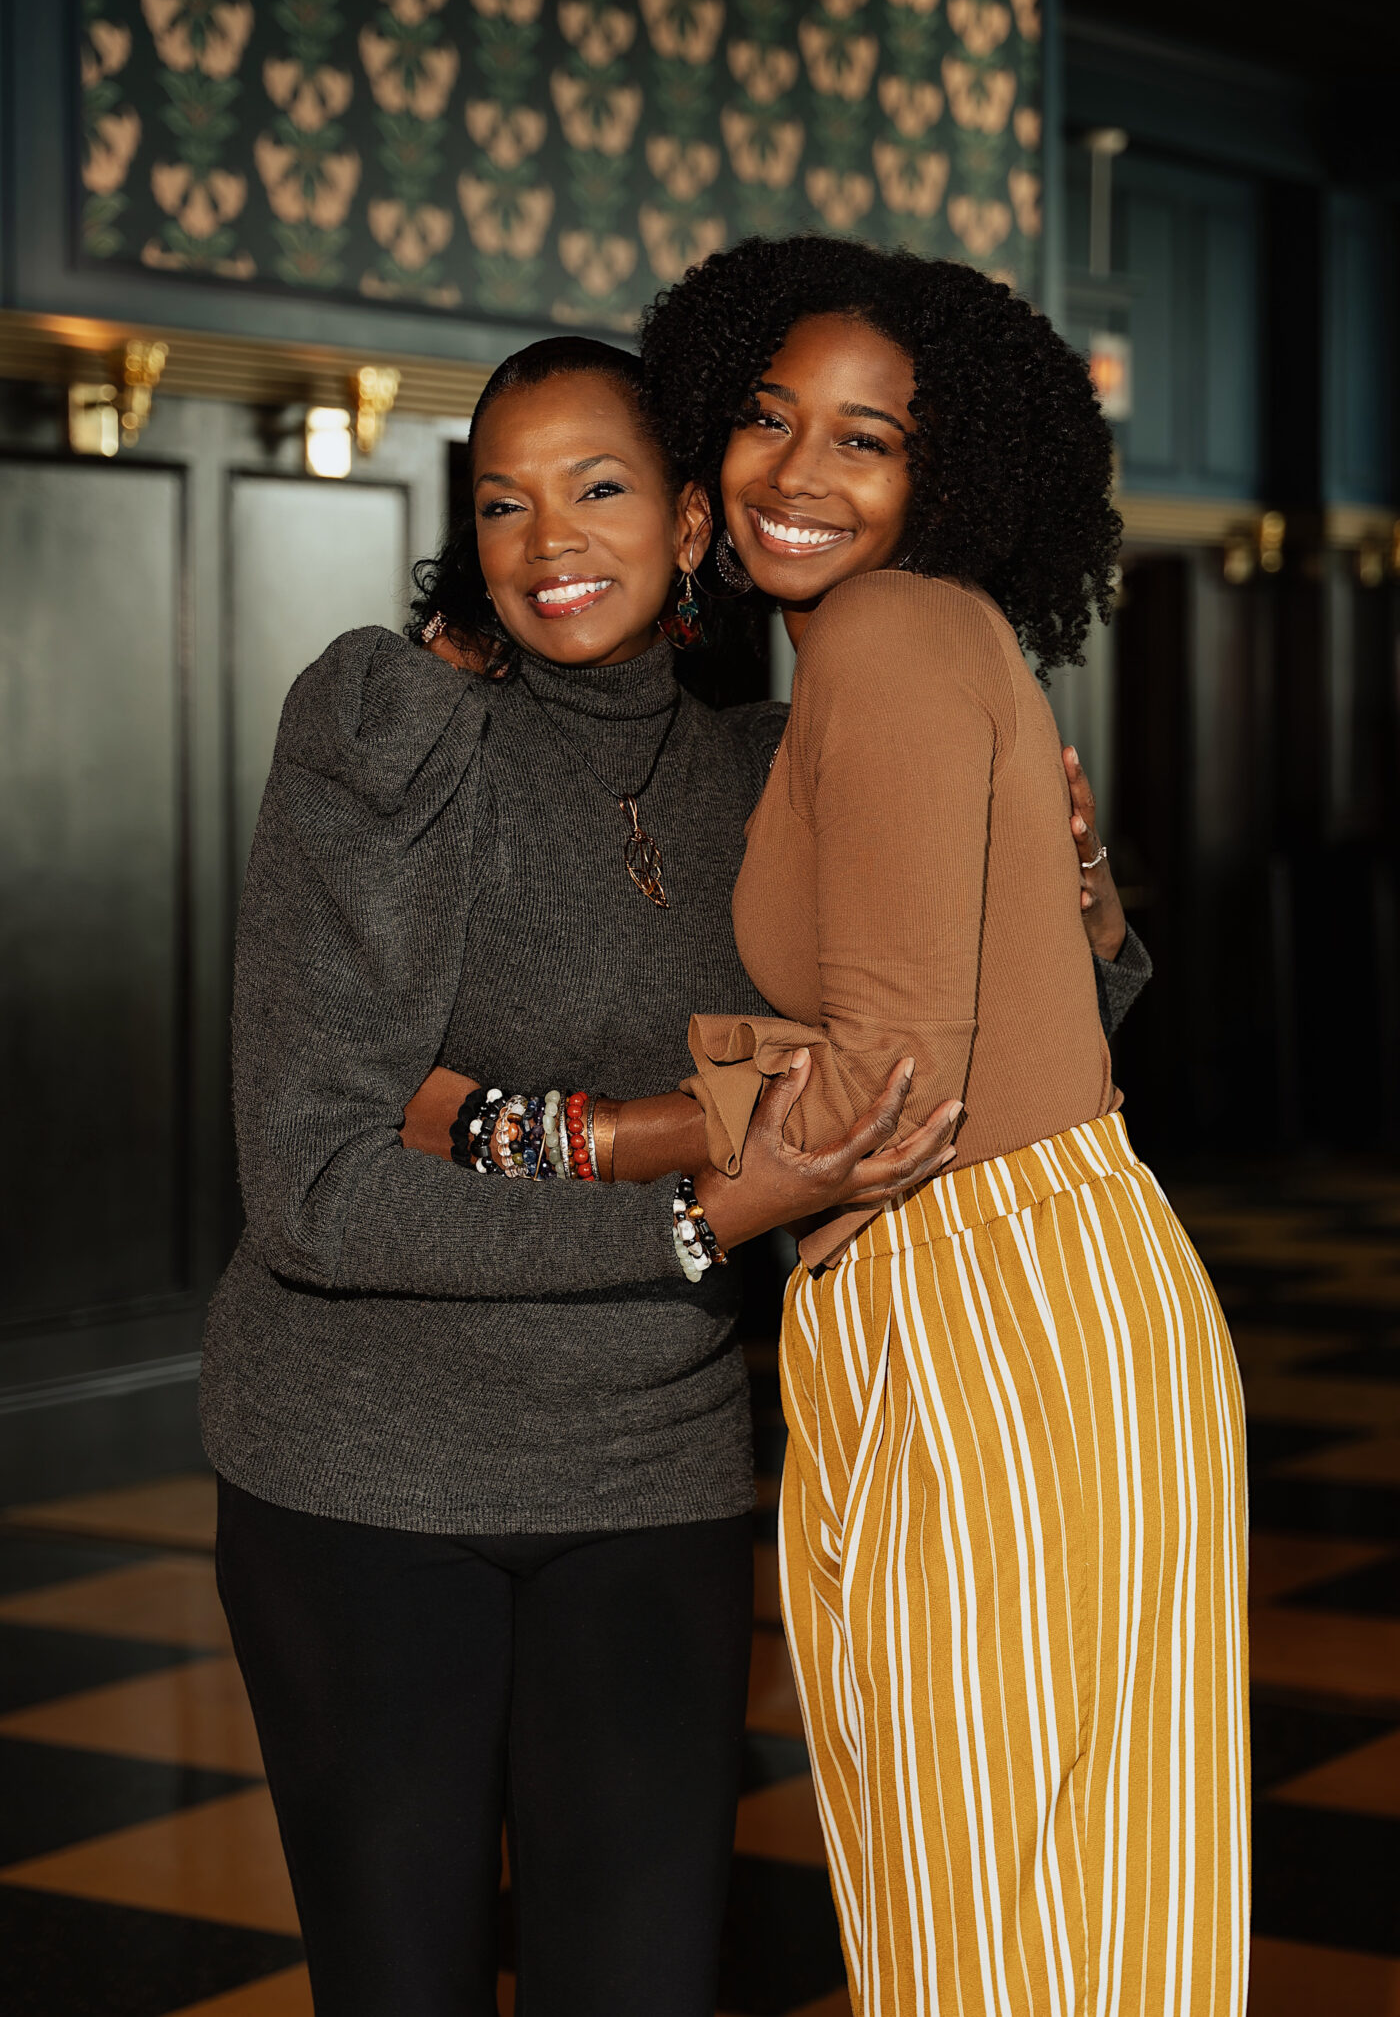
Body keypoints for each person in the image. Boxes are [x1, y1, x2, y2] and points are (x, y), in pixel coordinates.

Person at [203, 335, 964, 2017]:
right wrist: (700, 1199)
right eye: (504, 503)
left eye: (600, 488)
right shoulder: (391, 727)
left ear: (694, 522)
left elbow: (941, 1043)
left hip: (653, 1474)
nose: (550, 538)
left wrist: (1096, 918)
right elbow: (316, 1186)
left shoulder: (775, 768)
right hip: (362, 1479)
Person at [622, 236, 1250, 2017]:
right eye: (765, 417)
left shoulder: (888, 635)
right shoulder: (899, 647)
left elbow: (891, 1084)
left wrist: (583, 1152)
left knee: (981, 1926)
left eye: (867, 440)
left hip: (976, 1307)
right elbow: (965, 1008)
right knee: (1085, 1920)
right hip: (1039, 1291)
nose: (797, 475)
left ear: (947, 475)